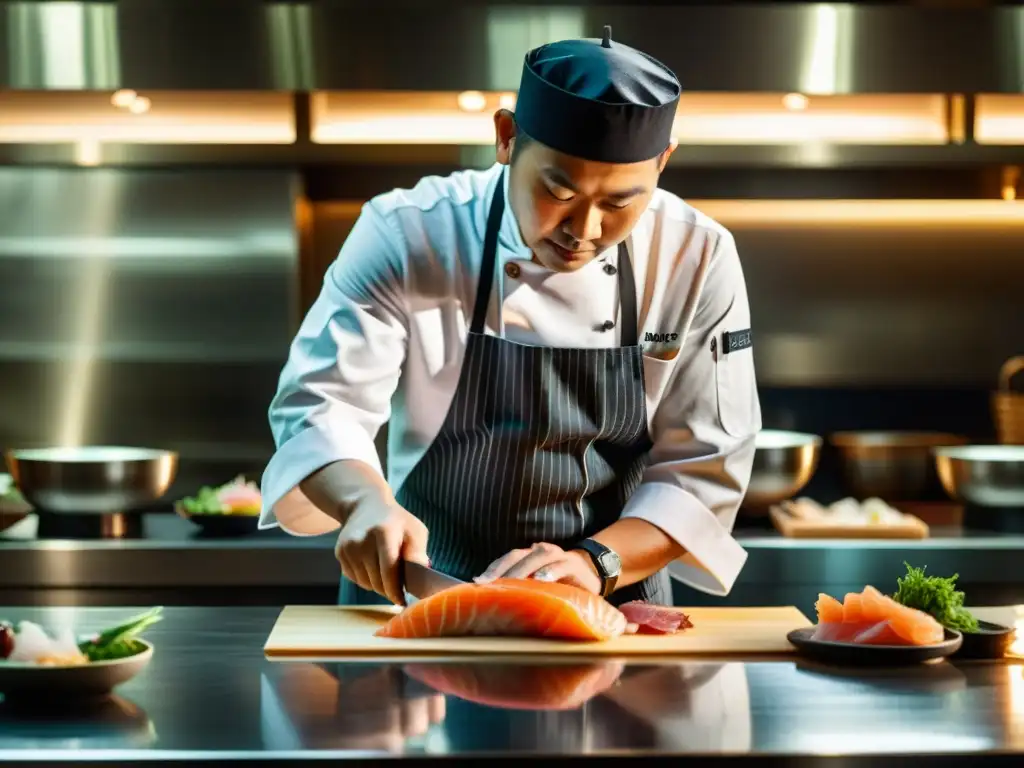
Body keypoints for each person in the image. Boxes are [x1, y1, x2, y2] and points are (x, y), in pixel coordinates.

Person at [258, 26, 762, 608]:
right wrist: (363, 502)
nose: (585, 231)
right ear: (505, 137)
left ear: (663, 162)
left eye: (621, 203)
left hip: (611, 595)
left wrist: (595, 564)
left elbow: (704, 465)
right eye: (559, 192)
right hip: (422, 588)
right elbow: (321, 407)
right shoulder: (409, 231)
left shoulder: (695, 254)